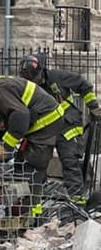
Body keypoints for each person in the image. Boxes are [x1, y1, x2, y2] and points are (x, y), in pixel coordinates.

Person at [0, 66, 69, 218]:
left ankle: (32, 215)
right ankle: (28, 209)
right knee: (21, 166)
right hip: (34, 122)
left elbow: (21, 116)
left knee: (30, 166)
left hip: (46, 120)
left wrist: (7, 146)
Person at [20, 53, 99, 204]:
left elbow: (84, 85)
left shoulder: (57, 77)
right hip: (45, 129)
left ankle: (78, 200)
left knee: (69, 161)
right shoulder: (27, 86)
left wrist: (93, 107)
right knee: (37, 161)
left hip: (66, 126)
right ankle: (38, 193)